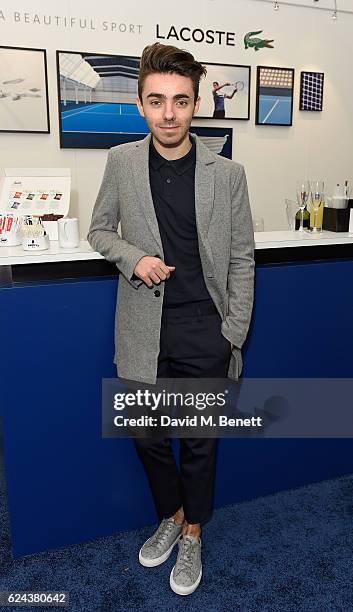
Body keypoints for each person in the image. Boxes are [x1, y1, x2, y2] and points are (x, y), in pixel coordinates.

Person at [87, 42, 255, 596]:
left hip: (206, 328)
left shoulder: (227, 174)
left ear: (196, 103)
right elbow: (99, 231)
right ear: (139, 104)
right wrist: (135, 259)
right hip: (143, 328)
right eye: (156, 101)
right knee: (147, 434)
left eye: (180, 101)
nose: (169, 113)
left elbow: (240, 258)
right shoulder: (120, 162)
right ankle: (173, 514)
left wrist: (233, 331)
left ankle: (193, 534)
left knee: (201, 441)